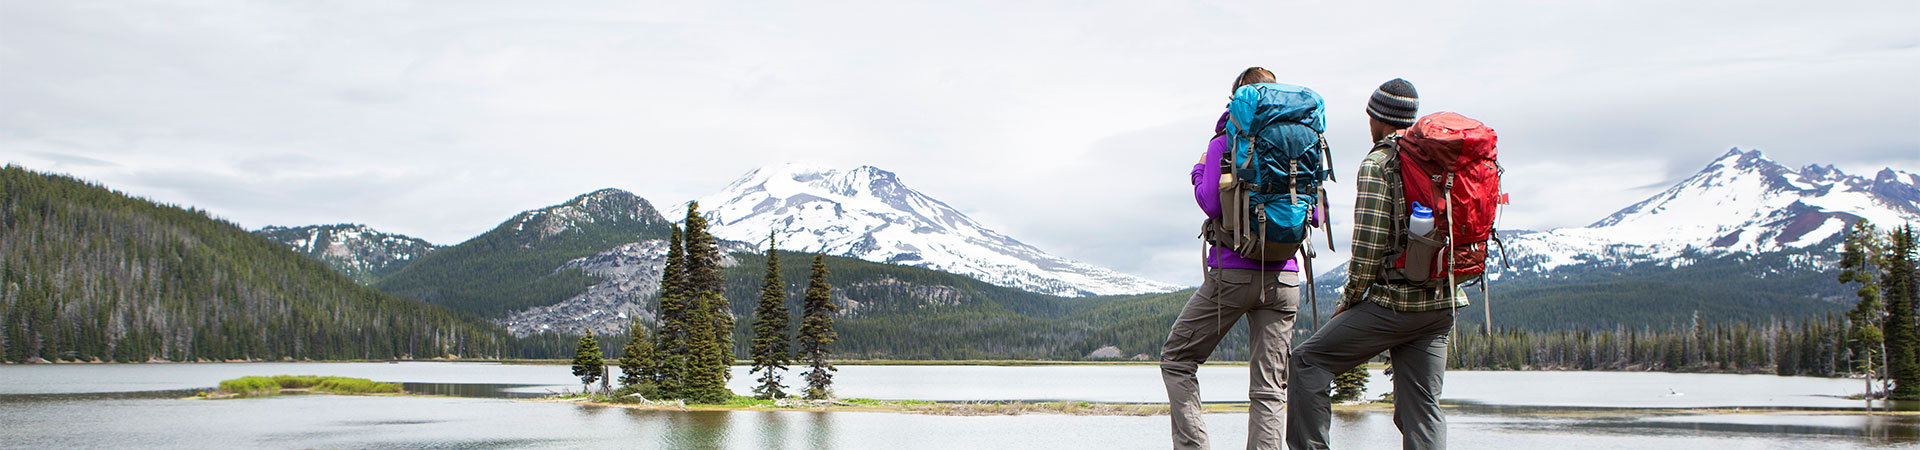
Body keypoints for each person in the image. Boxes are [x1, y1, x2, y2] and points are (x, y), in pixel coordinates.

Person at [1286, 78, 1463, 450]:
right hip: (1441, 304)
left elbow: (1367, 248)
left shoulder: (1379, 163)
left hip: (1395, 305)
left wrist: (1349, 301)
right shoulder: (1439, 160)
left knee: (1306, 362)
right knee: (1422, 410)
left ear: (1377, 118)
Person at [1159, 67, 1302, 450]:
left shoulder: (1225, 141)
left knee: (1177, 360)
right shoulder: (1297, 143)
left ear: (1236, 100)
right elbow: (1315, 215)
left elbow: (1210, 202)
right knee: (1270, 388)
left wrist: (1198, 171)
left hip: (1233, 273)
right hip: (1285, 277)